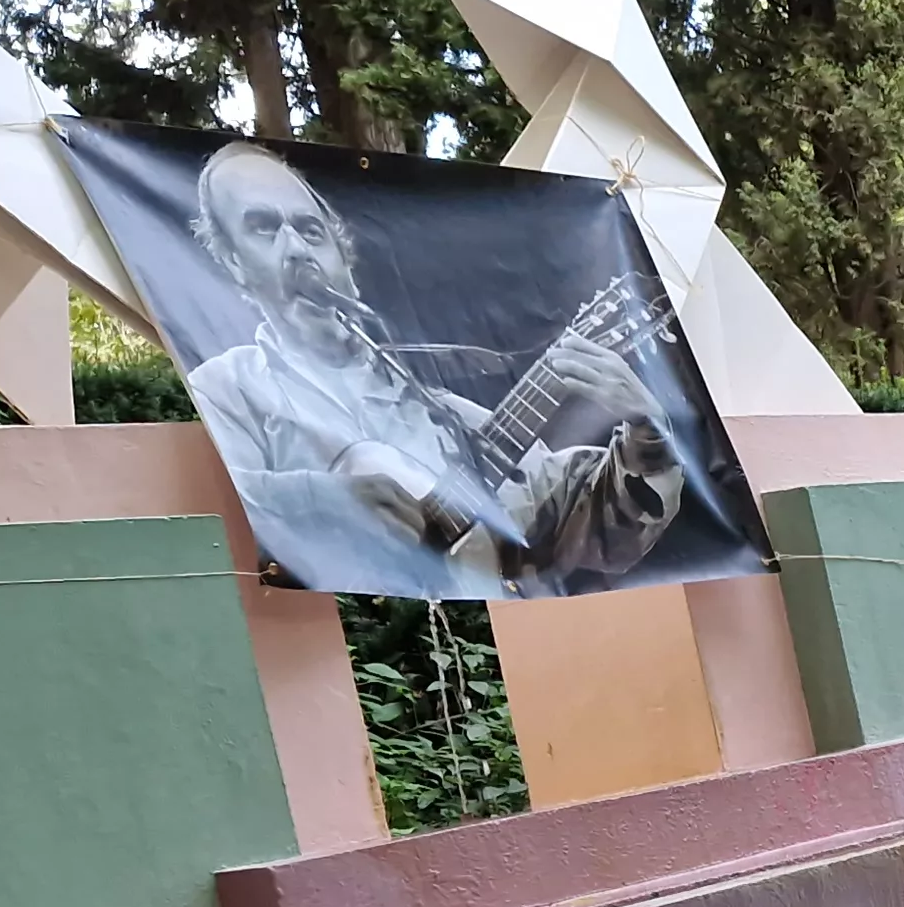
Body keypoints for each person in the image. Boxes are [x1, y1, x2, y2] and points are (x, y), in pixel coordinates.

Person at [182, 140, 687, 598]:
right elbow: (210, 525)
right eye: (264, 228)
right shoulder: (224, 391)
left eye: (311, 231)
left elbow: (584, 529)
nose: (295, 250)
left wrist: (649, 438)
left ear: (342, 258)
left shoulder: (442, 415)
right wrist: (324, 499)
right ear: (232, 263)